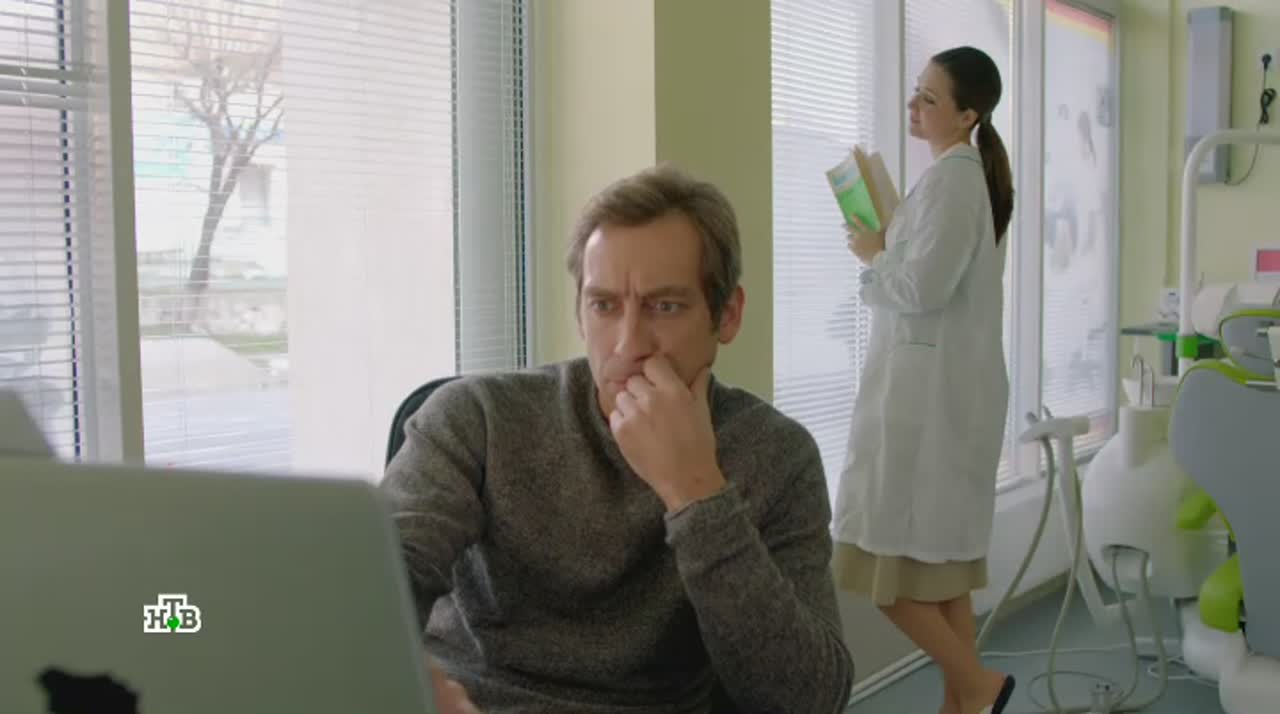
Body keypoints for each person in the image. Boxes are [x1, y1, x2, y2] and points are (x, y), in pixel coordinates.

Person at [381, 164, 854, 714]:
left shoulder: (777, 456)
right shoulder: (475, 417)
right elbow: (380, 578)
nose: (629, 345)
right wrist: (407, 680)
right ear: (580, 314)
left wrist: (696, 491)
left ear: (727, 315)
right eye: (604, 305)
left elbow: (809, 699)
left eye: (665, 306)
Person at [834, 46, 1016, 714]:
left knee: (886, 580)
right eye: (916, 91)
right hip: (939, 398)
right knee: (944, 579)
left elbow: (924, 287)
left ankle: (980, 686)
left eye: (930, 98)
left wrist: (875, 252)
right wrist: (891, 240)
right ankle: (962, 704)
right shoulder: (951, 178)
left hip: (927, 409)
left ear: (968, 115)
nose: (914, 105)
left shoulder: (954, 183)